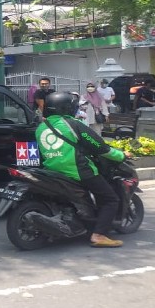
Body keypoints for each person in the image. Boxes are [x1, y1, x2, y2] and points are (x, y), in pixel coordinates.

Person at [37, 92, 132, 248]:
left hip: (52, 170)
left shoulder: (41, 127)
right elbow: (100, 148)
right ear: (67, 108)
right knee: (110, 199)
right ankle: (99, 235)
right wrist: (121, 155)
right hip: (78, 170)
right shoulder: (73, 125)